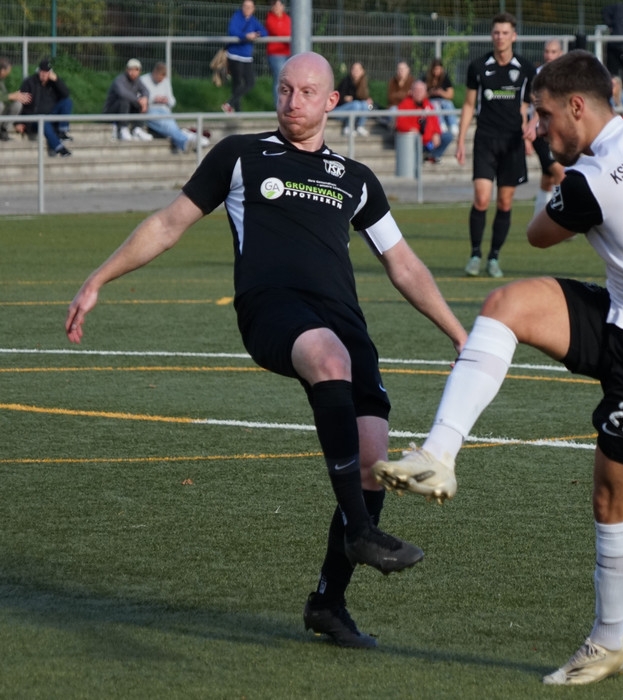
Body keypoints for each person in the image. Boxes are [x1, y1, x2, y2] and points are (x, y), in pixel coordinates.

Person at [373, 22, 623, 685]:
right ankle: (438, 455)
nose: (538, 128)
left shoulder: (589, 183)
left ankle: (611, 641)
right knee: (506, 305)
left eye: (545, 116)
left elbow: (537, 233)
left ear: (579, 106)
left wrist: (562, 175)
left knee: (612, 502)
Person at [64, 51, 468, 648]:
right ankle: (360, 533)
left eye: (306, 92)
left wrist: (459, 334)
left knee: (372, 457)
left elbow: (402, 263)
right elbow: (169, 223)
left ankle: (328, 603)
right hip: (272, 308)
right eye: (284, 89)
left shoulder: (356, 179)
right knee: (329, 358)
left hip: (344, 319)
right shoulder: (239, 155)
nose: (291, 101)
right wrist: (98, 279)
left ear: (331, 101)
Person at [456, 12, 535, 278]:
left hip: (512, 142)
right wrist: (460, 140)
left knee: (504, 201)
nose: (500, 37)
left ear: (514, 36)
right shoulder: (478, 67)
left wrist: (531, 127)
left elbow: (533, 104)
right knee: (481, 198)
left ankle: (494, 257)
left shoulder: (526, 68)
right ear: (492, 35)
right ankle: (475, 254)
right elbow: (469, 105)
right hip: (485, 139)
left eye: (505, 33)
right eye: (496, 32)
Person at [528, 39, 566, 217]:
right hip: (541, 131)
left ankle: (537, 219)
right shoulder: (537, 75)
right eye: (547, 52)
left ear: (560, 54)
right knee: (559, 172)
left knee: (548, 178)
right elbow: (536, 102)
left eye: (553, 52)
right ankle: (560, 219)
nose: (549, 56)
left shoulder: (566, 75)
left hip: (558, 130)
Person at [140, 62, 211, 153]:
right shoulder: (143, 80)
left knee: (170, 125)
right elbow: (139, 99)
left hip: (164, 109)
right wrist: (154, 99)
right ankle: (186, 141)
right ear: (155, 72)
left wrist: (166, 100)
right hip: (151, 110)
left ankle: (188, 139)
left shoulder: (165, 81)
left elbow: (172, 101)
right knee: (167, 125)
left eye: (163, 78)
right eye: (159, 77)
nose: (161, 80)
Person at [17, 57, 73, 157]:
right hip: (34, 118)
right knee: (44, 122)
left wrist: (57, 80)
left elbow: (66, 94)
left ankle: (62, 131)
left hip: (50, 114)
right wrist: (19, 122)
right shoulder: (29, 82)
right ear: (38, 71)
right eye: (42, 71)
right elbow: (21, 102)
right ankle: (59, 148)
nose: (44, 74)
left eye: (46, 72)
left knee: (67, 102)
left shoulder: (53, 83)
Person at [222, 0, 267, 113]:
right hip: (235, 55)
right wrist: (245, 36)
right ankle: (237, 110)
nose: (247, 9)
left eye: (249, 7)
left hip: (247, 57)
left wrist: (257, 34)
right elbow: (232, 31)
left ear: (253, 9)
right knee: (237, 83)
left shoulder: (253, 20)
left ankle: (230, 104)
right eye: (245, 6)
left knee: (250, 82)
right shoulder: (236, 17)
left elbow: (264, 31)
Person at [395, 79, 452, 163]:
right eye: (416, 90)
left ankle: (432, 156)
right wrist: (411, 129)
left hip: (428, 139)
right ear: (412, 91)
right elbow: (400, 123)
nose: (419, 93)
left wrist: (436, 133)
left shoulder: (428, 105)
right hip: (414, 139)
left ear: (425, 92)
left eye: (421, 90)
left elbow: (435, 121)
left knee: (448, 136)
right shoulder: (405, 105)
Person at [103, 58, 153, 142]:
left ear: (139, 71)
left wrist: (144, 99)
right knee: (125, 100)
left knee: (143, 101)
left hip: (127, 110)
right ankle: (123, 128)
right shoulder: (119, 80)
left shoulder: (137, 80)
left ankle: (137, 129)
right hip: (112, 110)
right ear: (126, 70)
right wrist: (139, 100)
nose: (132, 72)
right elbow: (123, 93)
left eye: (136, 70)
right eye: (130, 69)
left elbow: (145, 91)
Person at [333, 61, 373, 136]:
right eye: (353, 69)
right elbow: (337, 98)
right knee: (356, 104)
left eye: (358, 69)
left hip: (354, 110)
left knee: (365, 104)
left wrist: (369, 101)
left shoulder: (364, 84)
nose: (355, 71)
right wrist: (344, 98)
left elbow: (363, 99)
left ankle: (360, 126)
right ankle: (348, 127)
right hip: (339, 110)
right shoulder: (346, 81)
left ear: (363, 71)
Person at [265, 0, 291, 108]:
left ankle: (287, 104)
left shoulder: (287, 18)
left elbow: (291, 31)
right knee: (280, 79)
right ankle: (279, 106)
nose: (277, 7)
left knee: (289, 79)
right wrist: (289, 36)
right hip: (276, 54)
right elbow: (278, 31)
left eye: (279, 5)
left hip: (287, 52)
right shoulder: (270, 18)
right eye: (275, 5)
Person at [425, 58, 457, 134]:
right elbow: (422, 95)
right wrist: (431, 93)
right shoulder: (426, 79)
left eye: (438, 69)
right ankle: (441, 125)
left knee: (448, 104)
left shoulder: (445, 78)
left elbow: (451, 95)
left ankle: (453, 125)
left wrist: (441, 92)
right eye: (435, 69)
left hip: (443, 100)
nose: (436, 71)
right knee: (435, 105)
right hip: (431, 101)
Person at [0, 57, 24, 142]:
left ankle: (4, 129)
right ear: (2, 70)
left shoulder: (2, 81)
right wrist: (10, 96)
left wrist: (15, 96)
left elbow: (4, 96)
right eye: (8, 70)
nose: (9, 73)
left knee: (17, 104)